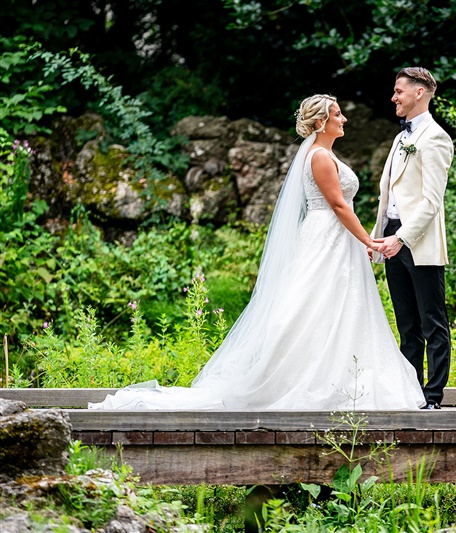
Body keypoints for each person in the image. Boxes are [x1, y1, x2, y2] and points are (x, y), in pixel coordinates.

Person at [90, 94, 426, 411]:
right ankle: (302, 376)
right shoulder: (320, 156)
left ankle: (340, 373)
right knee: (315, 304)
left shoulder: (326, 153)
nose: (345, 118)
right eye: (338, 114)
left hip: (338, 239)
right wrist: (369, 240)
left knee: (335, 305)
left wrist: (361, 241)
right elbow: (338, 204)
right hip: (327, 235)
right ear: (322, 122)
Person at [371, 67, 454, 410]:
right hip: (392, 238)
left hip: (418, 243)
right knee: (407, 325)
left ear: (419, 93)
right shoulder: (399, 137)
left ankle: (433, 398)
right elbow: (388, 196)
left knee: (432, 323)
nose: (394, 97)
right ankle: (411, 393)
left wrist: (401, 238)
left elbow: (432, 202)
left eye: (398, 91)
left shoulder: (436, 138)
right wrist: (378, 239)